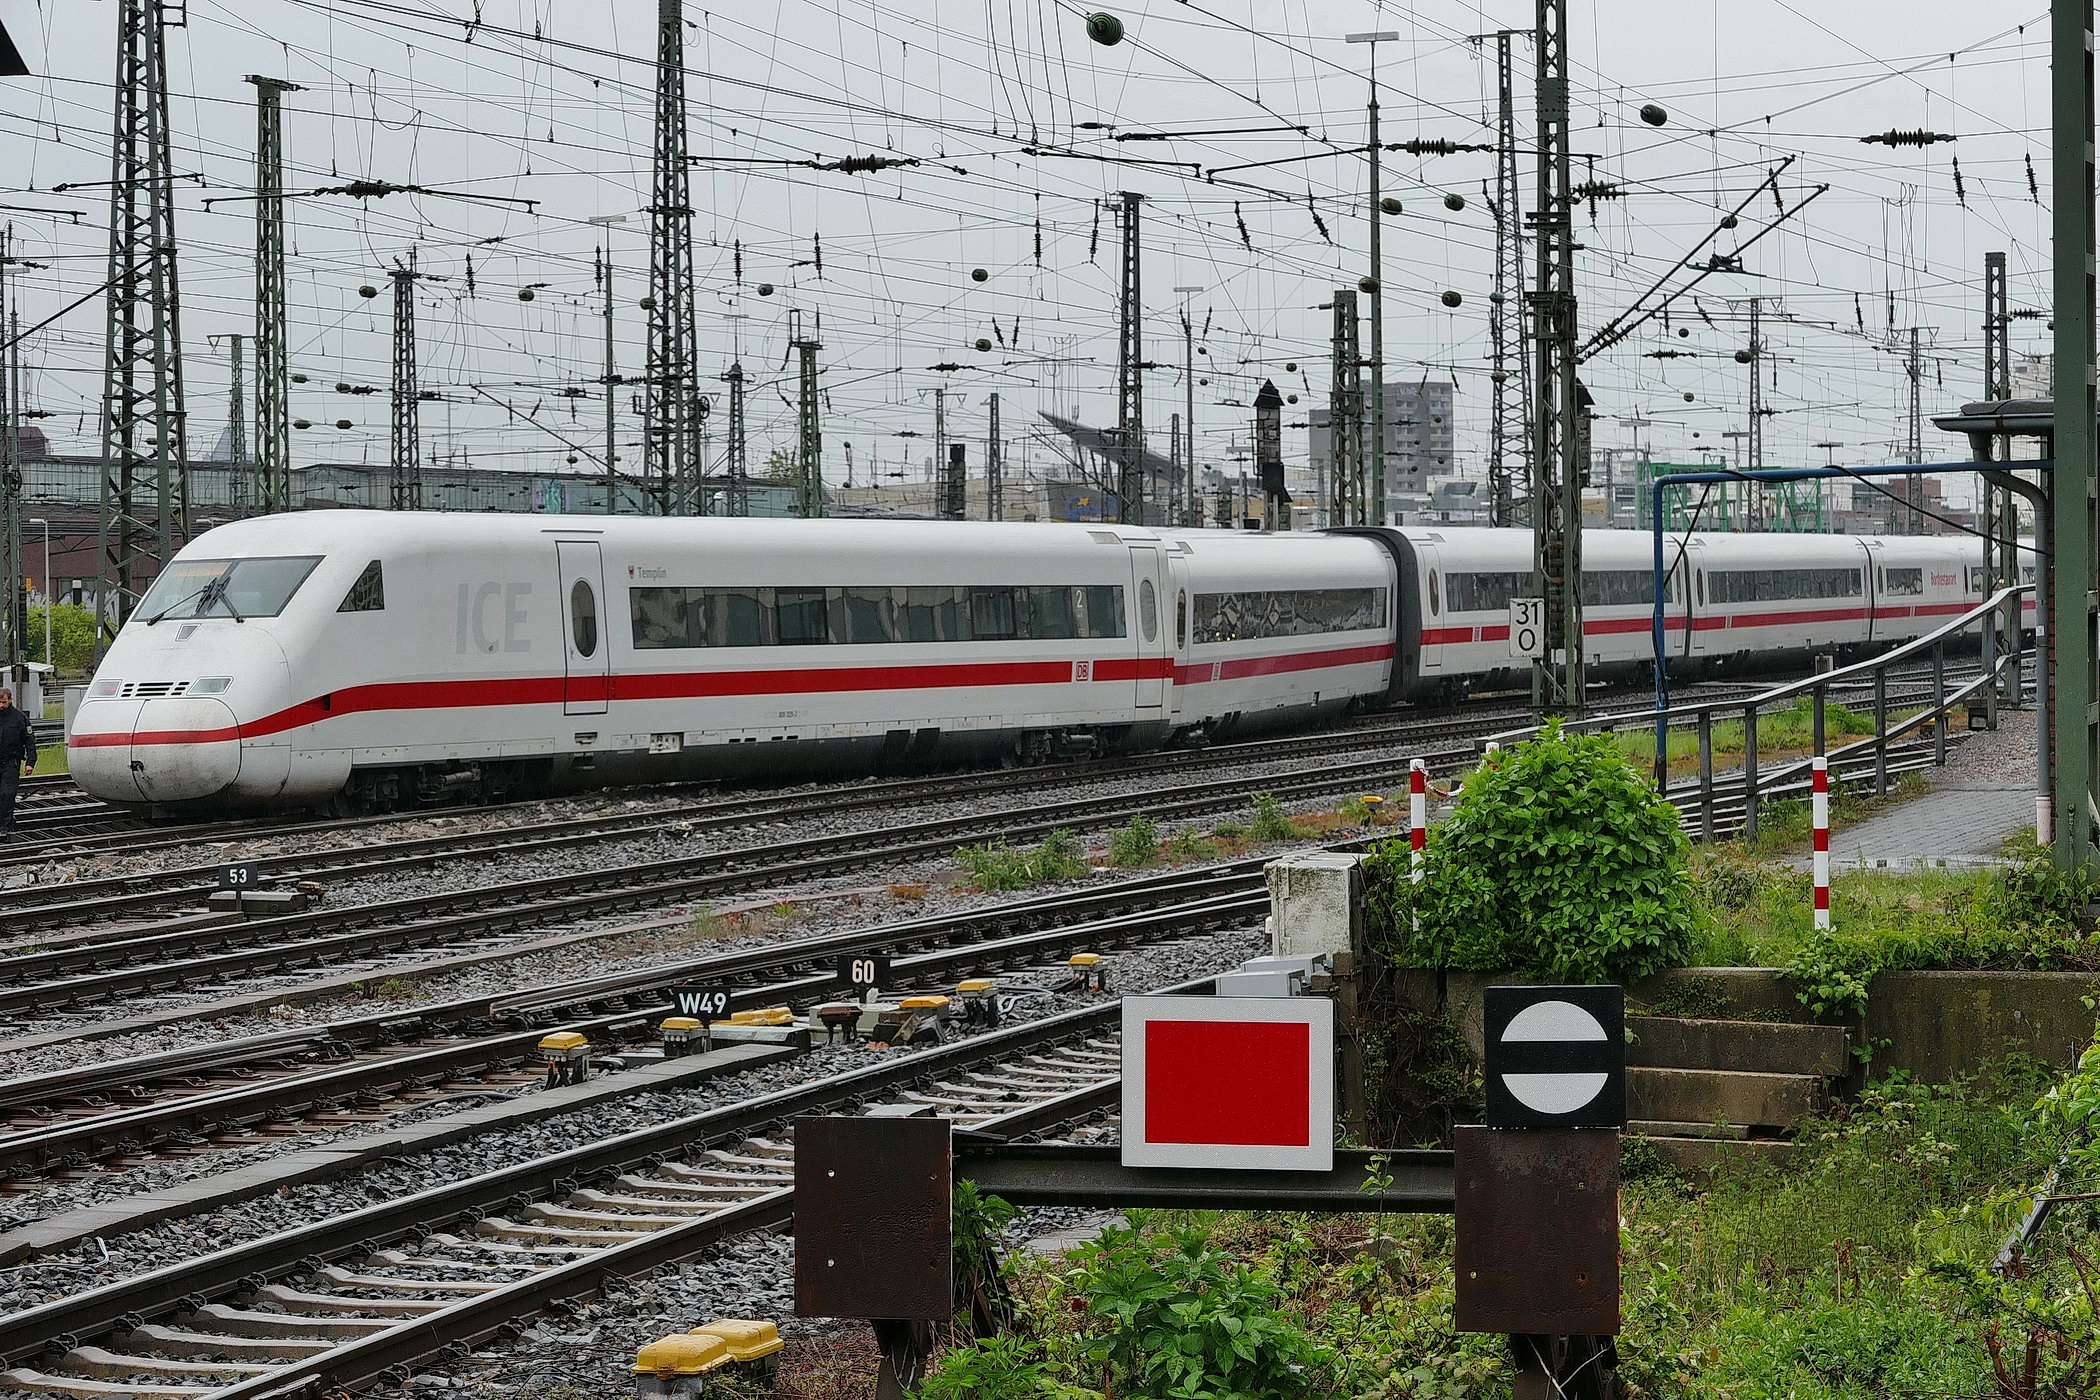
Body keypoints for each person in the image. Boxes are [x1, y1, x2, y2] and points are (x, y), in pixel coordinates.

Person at [0, 687, 35, 835]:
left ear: (10, 700)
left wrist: (30, 762)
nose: (1, 705)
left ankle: (4, 827)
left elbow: (29, 741)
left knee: (7, 794)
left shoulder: (19, 718)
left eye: (4, 702)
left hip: (11, 761)